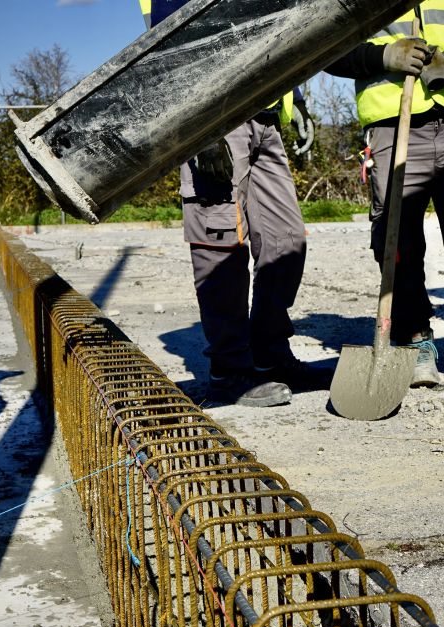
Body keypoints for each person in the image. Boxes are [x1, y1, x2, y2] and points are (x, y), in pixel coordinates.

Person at [140, 0, 329, 407]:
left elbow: (271, 25)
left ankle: (270, 357)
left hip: (264, 111)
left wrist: (293, 95)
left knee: (286, 240)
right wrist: (200, 126)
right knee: (219, 240)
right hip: (216, 112)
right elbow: (173, 39)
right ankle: (230, 371)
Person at [326, 1, 444, 390]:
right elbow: (326, 50)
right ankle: (414, 340)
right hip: (392, 118)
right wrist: (383, 55)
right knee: (397, 240)